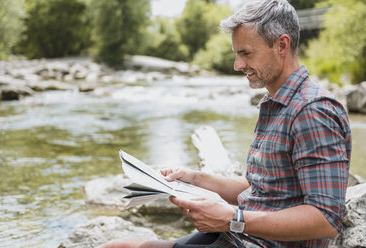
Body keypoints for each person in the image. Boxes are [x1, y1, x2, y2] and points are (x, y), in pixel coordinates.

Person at [100, 0, 352, 247]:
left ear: (282, 45)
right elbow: (262, 187)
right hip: (239, 236)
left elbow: (326, 219)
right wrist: (196, 179)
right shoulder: (276, 103)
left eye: (246, 53)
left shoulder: (313, 112)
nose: (237, 65)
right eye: (237, 54)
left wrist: (233, 218)